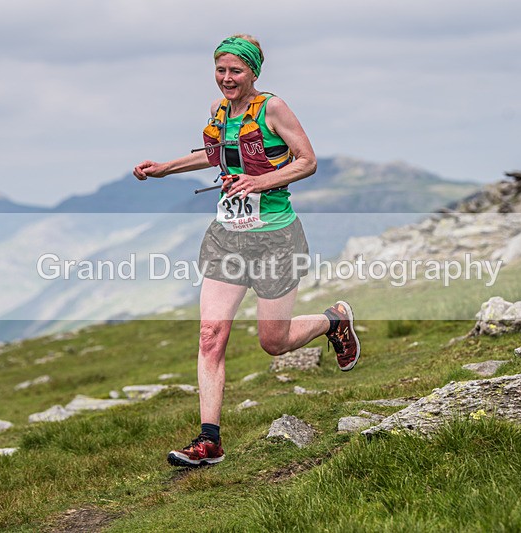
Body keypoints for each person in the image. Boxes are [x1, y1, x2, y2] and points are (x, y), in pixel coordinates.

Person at [133, 34, 360, 468]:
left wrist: (259, 182)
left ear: (254, 72)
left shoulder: (273, 107)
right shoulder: (220, 112)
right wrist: (166, 168)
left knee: (273, 343)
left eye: (235, 71)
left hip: (275, 236)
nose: (226, 78)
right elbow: (213, 154)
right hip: (227, 236)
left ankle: (335, 320)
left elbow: (307, 160)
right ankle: (209, 441)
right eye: (220, 70)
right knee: (210, 335)